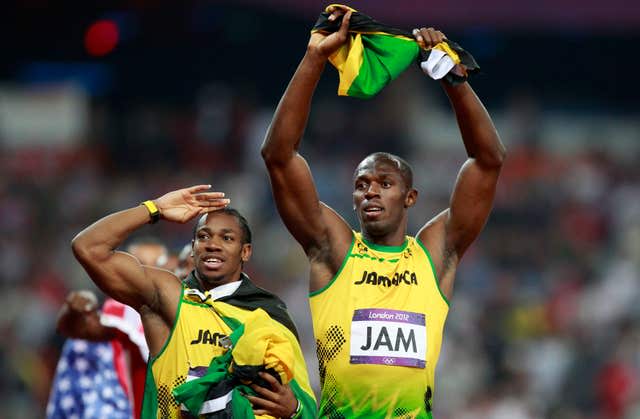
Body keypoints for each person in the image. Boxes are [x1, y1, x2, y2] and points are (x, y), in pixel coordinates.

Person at [261, 6, 506, 418]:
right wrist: (314, 59)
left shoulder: (434, 254)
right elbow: (279, 156)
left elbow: (487, 161)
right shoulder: (333, 249)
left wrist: (454, 83)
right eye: (361, 185)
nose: (370, 191)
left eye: (384, 184)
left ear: (410, 198)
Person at [70, 185, 316, 418]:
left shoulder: (270, 314)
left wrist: (293, 408)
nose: (212, 245)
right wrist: (154, 208)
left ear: (246, 251)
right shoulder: (169, 297)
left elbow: (307, 406)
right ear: (193, 246)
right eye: (203, 236)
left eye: (227, 238)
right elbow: (88, 248)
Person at [47, 239, 168, 419]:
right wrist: (71, 310)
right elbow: (74, 328)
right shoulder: (120, 315)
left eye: (156, 265)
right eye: (138, 263)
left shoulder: (182, 312)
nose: (147, 272)